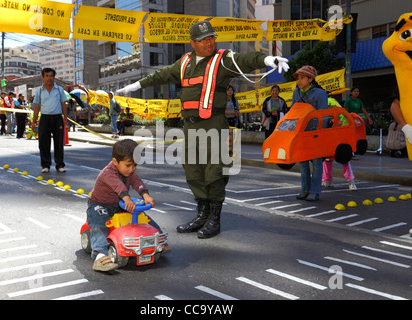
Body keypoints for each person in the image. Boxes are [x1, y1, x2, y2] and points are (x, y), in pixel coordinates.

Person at [116, 20, 289, 238]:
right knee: (193, 171)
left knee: (214, 172)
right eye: (204, 39)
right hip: (190, 127)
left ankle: (214, 219)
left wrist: (267, 59)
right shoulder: (185, 62)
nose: (209, 42)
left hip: (213, 125)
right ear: (192, 43)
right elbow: (162, 75)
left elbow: (245, 60)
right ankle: (201, 215)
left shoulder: (222, 60)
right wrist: (135, 86)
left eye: (212, 38)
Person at [86, 139, 163, 272]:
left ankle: (159, 238)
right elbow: (118, 186)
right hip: (99, 205)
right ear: (115, 161)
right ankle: (100, 255)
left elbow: (136, 181)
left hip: (117, 204)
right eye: (128, 165)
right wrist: (127, 199)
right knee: (99, 223)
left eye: (134, 166)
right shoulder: (108, 172)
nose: (132, 169)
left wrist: (145, 195)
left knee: (142, 217)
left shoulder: (129, 172)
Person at [291, 65, 328, 202]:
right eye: (298, 78)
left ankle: (315, 192)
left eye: (302, 78)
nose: (298, 81)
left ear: (310, 79)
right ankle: (305, 190)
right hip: (301, 133)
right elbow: (293, 112)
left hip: (316, 133)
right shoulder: (296, 93)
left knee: (317, 163)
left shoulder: (320, 93)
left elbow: (323, 115)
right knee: (303, 162)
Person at [31, 67, 68, 173]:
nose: (49, 78)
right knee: (43, 143)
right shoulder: (39, 91)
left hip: (57, 118)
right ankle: (45, 165)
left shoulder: (60, 90)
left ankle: (60, 165)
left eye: (51, 76)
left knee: (59, 143)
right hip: (44, 118)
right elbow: (36, 107)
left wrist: (65, 120)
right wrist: (34, 122)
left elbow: (63, 105)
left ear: (54, 77)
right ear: (43, 77)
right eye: (47, 76)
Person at [322, 96, 357, 190]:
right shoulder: (330, 100)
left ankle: (350, 181)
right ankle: (327, 180)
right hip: (333, 132)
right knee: (328, 158)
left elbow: (336, 117)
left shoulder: (327, 101)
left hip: (338, 132)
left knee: (343, 158)